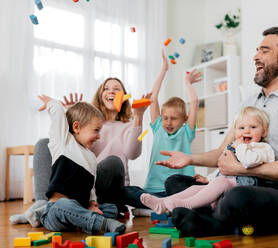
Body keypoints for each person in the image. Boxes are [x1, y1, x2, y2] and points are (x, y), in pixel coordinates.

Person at [157, 27, 278, 237]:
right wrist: (189, 159)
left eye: (264, 51)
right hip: (240, 183)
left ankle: (211, 221)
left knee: (238, 197)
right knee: (175, 182)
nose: (255, 57)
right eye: (257, 51)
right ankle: (216, 216)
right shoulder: (250, 102)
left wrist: (243, 170)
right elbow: (222, 153)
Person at [10, 77, 147, 225]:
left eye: (116, 89)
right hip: (79, 185)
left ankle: (63, 210)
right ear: (100, 95)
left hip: (101, 185)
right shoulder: (89, 123)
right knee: (44, 143)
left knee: (113, 162)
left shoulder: (129, 126)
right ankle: (44, 204)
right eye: (106, 88)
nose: (111, 91)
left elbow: (132, 153)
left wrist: (138, 118)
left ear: (124, 96)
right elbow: (69, 147)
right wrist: (71, 115)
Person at [140, 106, 275, 214]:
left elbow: (249, 162)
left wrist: (239, 147)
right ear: (235, 132)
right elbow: (222, 167)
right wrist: (208, 179)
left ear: (264, 131)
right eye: (241, 128)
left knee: (220, 182)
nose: (246, 131)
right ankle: (163, 203)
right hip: (225, 184)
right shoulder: (235, 146)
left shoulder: (262, 148)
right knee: (196, 187)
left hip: (244, 190)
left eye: (253, 127)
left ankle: (186, 205)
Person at [123, 49, 203, 209]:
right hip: (155, 190)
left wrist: (187, 82)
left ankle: (165, 206)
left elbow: (194, 101)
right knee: (125, 191)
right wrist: (163, 70)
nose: (168, 122)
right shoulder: (158, 127)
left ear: (184, 120)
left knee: (196, 194)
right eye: (165, 117)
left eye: (174, 118)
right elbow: (153, 97)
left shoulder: (186, 132)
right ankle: (164, 206)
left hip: (180, 190)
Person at [36, 95, 126, 234]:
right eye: (96, 130)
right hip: (56, 212)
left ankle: (84, 221)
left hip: (79, 209)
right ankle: (102, 223)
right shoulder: (63, 143)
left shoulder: (90, 157)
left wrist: (92, 204)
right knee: (64, 204)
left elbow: (90, 188)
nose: (99, 136)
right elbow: (58, 111)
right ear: (76, 127)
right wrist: (51, 102)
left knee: (111, 208)